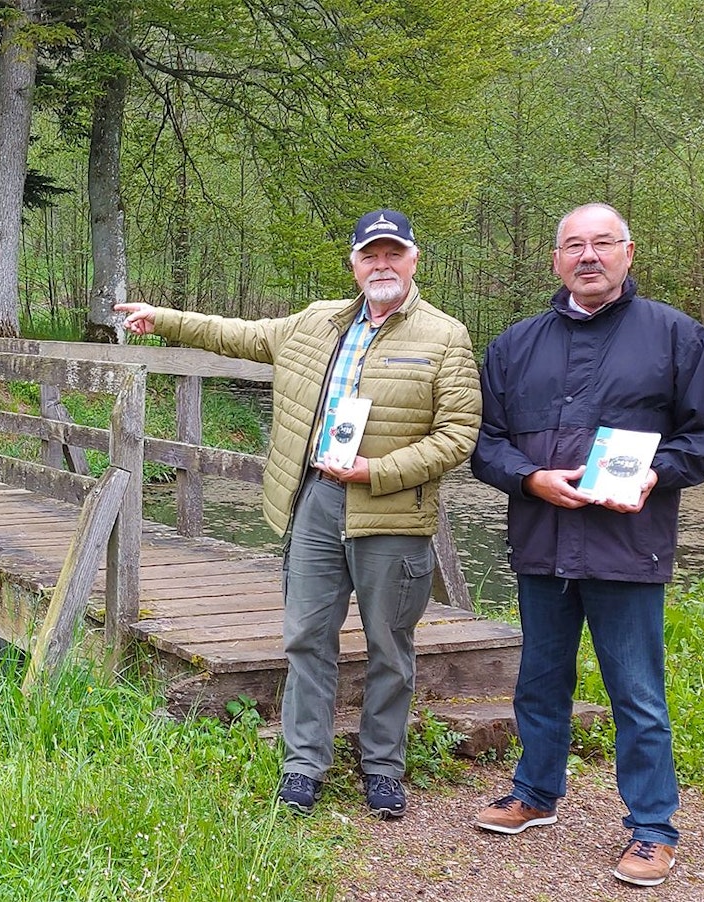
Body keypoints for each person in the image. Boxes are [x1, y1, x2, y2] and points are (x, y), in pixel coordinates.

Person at [116, 209, 481, 820]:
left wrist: (375, 471)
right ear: (354, 264)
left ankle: (383, 767)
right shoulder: (315, 321)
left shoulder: (445, 337)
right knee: (308, 638)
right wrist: (165, 320)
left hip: (391, 512)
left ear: (414, 260)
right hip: (315, 501)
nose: (382, 265)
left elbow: (458, 435)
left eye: (393, 254)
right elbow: (237, 335)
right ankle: (303, 764)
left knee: (389, 645)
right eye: (370, 255)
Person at [470, 203, 704, 887]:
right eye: (574, 245)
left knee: (636, 693)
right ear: (555, 260)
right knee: (539, 682)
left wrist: (658, 472)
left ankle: (652, 828)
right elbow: (484, 443)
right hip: (541, 541)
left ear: (628, 252)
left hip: (627, 546)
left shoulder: (676, 336)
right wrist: (528, 478)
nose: (587, 256)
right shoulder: (513, 345)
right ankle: (534, 793)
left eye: (602, 243)